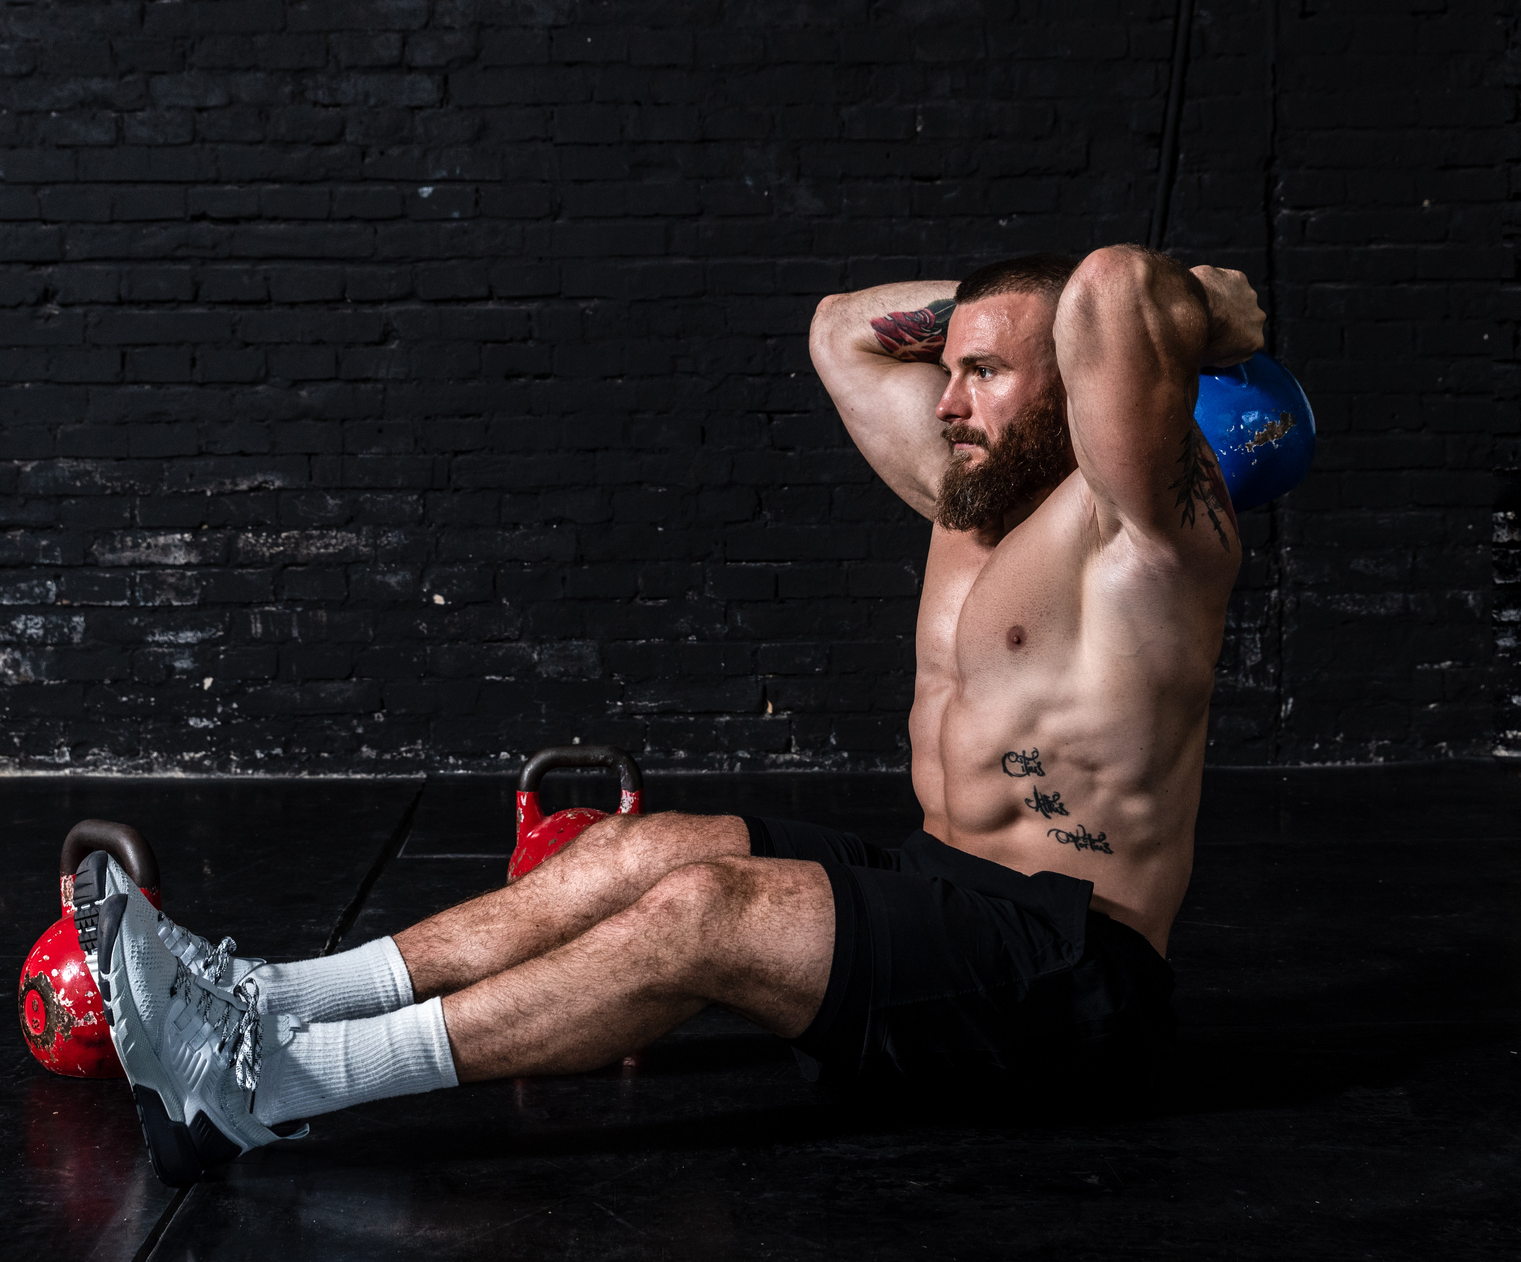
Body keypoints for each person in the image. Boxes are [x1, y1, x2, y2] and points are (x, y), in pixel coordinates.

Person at [77, 244, 1266, 1185]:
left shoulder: (1144, 528)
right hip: (946, 885)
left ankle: (271, 1087)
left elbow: (1111, 288)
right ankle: (271, 999)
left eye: (984, 373)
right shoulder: (968, 494)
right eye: (947, 366)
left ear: (1079, 385)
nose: (946, 398)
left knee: (702, 911)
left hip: (1068, 974)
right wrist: (995, 316)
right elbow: (841, 327)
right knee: (635, 850)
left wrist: (1200, 305)